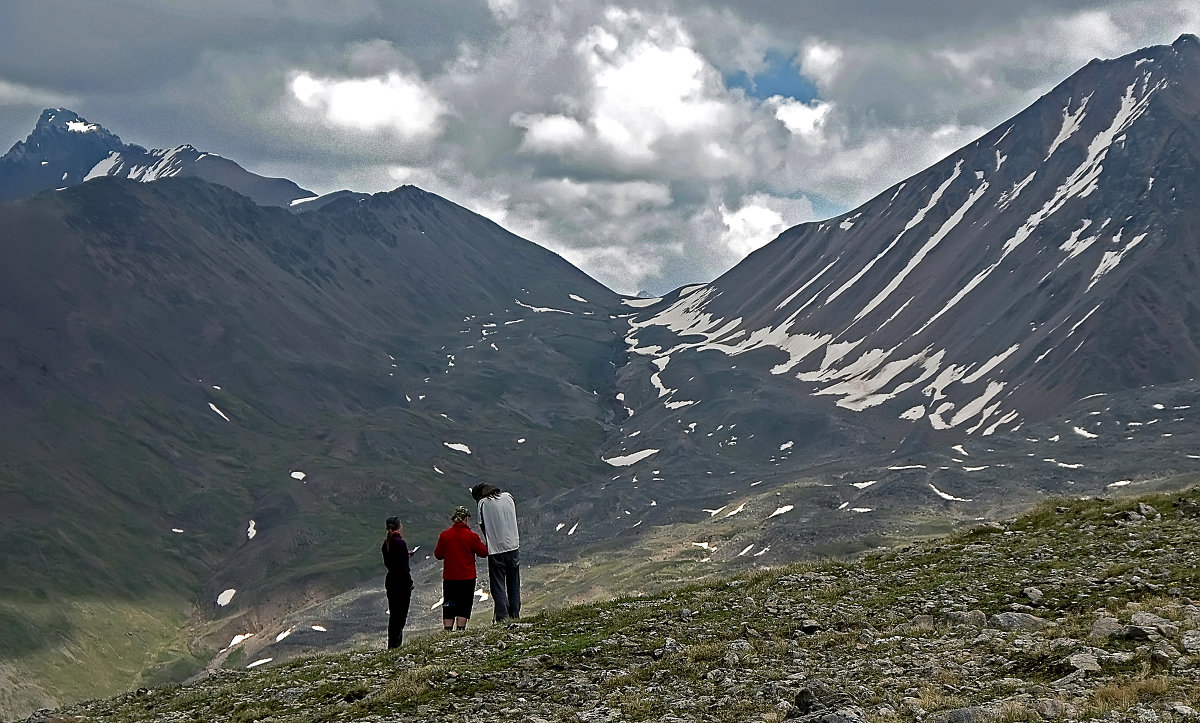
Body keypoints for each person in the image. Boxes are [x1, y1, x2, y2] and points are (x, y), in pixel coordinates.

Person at [471, 483, 521, 622]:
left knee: (498, 584)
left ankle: (502, 616)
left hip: (496, 550)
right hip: (513, 545)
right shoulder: (508, 497)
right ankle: (515, 614)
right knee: (514, 583)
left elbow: (483, 526)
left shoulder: (483, 503)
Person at [433, 506, 488, 631]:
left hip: (450, 577)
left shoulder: (445, 536)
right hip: (467, 578)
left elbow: (438, 555)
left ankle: (447, 629)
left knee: (449, 603)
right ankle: (460, 629)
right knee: (464, 603)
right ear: (465, 519)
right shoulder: (471, 536)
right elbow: (483, 553)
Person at [381, 515, 414, 649]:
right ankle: (396, 645)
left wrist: (404, 555)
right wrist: (410, 582)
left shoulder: (386, 543)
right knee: (401, 615)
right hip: (401, 584)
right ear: (399, 526)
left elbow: (391, 562)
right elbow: (403, 568)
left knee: (394, 614)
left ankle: (392, 644)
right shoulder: (400, 543)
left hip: (391, 581)